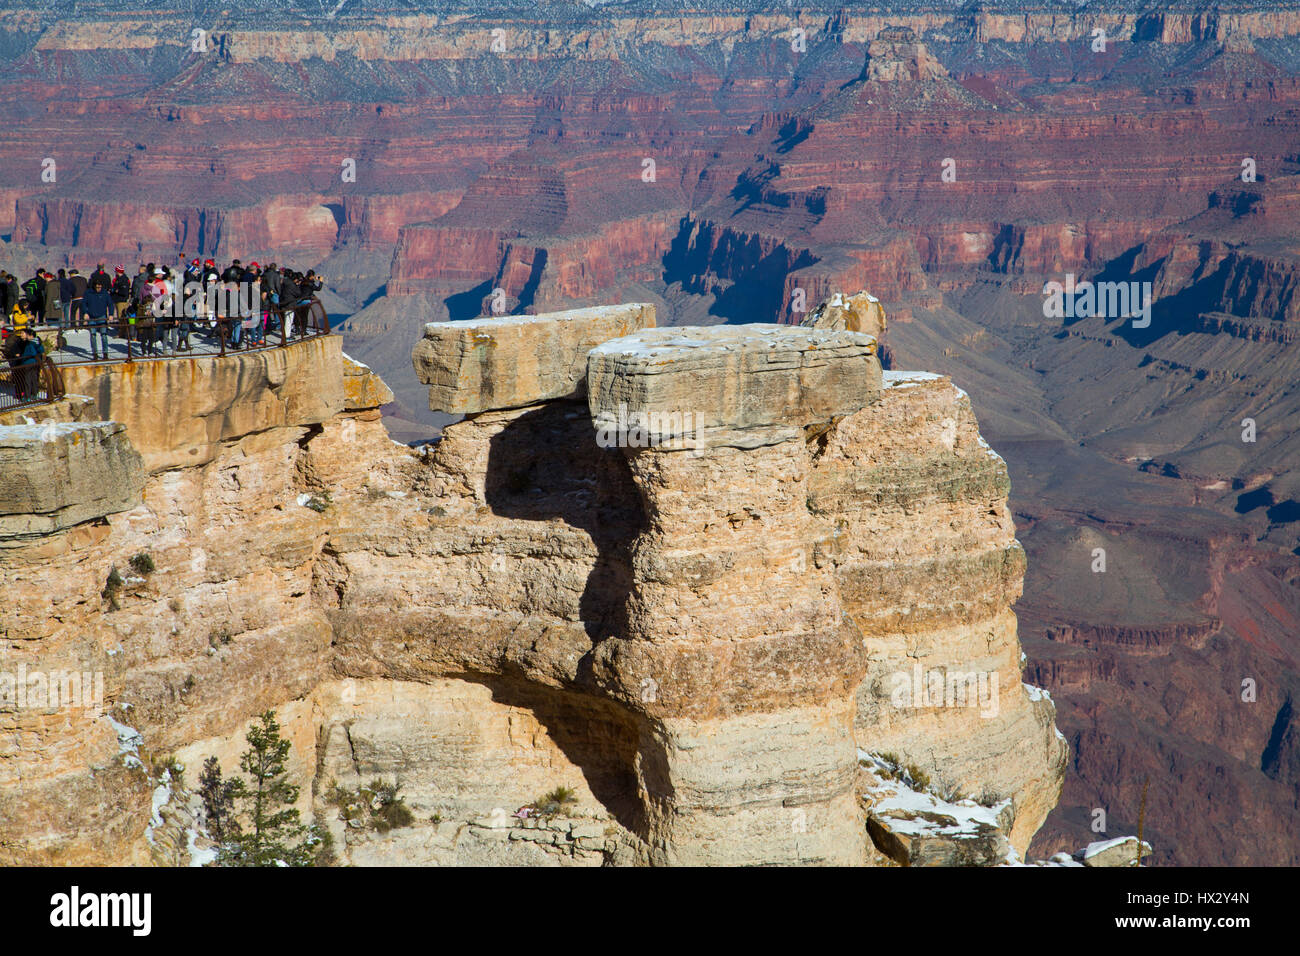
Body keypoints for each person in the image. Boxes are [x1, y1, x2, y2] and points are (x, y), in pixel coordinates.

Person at [81, 277, 114, 361]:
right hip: (92, 317)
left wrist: (111, 314)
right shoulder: (88, 293)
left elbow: (110, 304)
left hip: (102, 316)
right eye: (97, 287)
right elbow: (84, 304)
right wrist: (85, 312)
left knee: (104, 335)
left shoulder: (105, 293)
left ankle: (105, 353)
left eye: (100, 287)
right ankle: (95, 354)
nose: (98, 288)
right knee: (93, 335)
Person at [15, 327, 44, 399]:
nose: (26, 336)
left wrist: (22, 356)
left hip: (28, 363)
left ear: (31, 335)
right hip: (35, 363)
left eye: (27, 335)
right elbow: (41, 351)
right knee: (34, 379)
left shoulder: (30, 343)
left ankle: (27, 396)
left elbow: (32, 353)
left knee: (27, 380)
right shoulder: (38, 342)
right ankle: (34, 394)